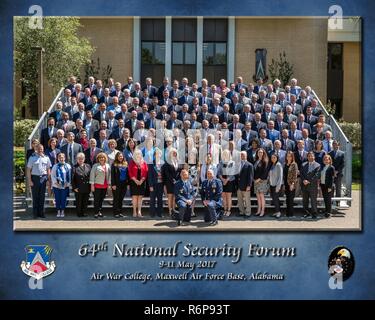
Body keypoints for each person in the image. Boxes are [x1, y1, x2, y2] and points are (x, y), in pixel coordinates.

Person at [26, 144, 51, 219]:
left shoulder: (46, 158)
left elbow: (48, 169)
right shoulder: (32, 158)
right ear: (36, 149)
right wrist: (29, 181)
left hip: (43, 178)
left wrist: (48, 180)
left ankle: (41, 213)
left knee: (42, 196)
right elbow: (28, 170)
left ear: (43, 149)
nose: (40, 150)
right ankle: (35, 213)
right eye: (39, 148)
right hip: (35, 178)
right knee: (35, 197)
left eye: (42, 149)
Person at [128, 149, 148, 217]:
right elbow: (129, 172)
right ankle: (134, 212)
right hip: (134, 182)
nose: (138, 155)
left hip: (142, 182)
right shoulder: (132, 162)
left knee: (140, 197)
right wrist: (135, 180)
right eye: (136, 154)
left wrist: (142, 180)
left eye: (139, 154)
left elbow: (146, 172)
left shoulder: (144, 162)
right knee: (134, 197)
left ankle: (139, 211)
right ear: (134, 155)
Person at [90, 152, 111, 218]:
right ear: (98, 159)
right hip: (97, 185)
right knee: (96, 199)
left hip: (104, 186)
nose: (102, 159)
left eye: (103, 157)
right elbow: (92, 175)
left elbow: (109, 175)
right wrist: (92, 185)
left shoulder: (108, 165)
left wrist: (109, 184)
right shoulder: (95, 165)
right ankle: (96, 212)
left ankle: (99, 211)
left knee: (101, 200)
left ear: (105, 158)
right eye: (100, 157)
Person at [50, 153, 72, 218]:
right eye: (60, 157)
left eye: (62, 157)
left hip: (65, 186)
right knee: (57, 199)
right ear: (58, 158)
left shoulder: (68, 166)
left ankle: (62, 210)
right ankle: (58, 211)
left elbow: (70, 176)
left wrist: (67, 184)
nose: (61, 159)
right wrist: (56, 183)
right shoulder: (55, 166)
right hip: (57, 186)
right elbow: (52, 175)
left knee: (63, 199)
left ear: (64, 158)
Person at [301, 152, 321, 219]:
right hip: (304, 185)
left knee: (313, 200)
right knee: (305, 200)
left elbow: (317, 176)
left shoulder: (318, 165)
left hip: (313, 185)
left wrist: (308, 181)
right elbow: (301, 174)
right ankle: (306, 213)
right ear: (307, 157)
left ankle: (314, 213)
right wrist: (304, 180)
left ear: (314, 157)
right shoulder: (303, 165)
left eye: (312, 156)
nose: (310, 157)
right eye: (309, 156)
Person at [162, 148, 181, 216]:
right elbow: (167, 173)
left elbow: (179, 172)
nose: (174, 154)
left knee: (175, 197)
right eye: (173, 153)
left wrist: (177, 180)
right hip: (169, 182)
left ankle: (174, 210)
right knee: (170, 197)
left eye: (175, 153)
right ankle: (170, 211)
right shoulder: (167, 162)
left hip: (177, 182)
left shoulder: (178, 161)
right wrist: (173, 180)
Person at [217, 149, 237, 217]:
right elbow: (218, 172)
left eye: (227, 154)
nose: (225, 155)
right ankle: (225, 209)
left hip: (230, 181)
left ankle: (229, 210)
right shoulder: (221, 162)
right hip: (222, 180)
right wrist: (222, 180)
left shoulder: (232, 162)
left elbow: (232, 173)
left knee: (228, 196)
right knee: (223, 196)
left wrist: (226, 180)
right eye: (224, 154)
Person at [72, 152, 91, 217]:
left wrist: (90, 186)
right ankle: (79, 213)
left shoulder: (88, 166)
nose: (81, 160)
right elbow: (72, 179)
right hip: (78, 187)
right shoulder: (74, 167)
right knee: (79, 201)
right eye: (79, 158)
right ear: (77, 159)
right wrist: (74, 188)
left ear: (84, 159)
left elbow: (90, 176)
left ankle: (84, 212)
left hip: (87, 187)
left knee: (85, 201)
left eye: (82, 158)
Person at [235, 151, 254, 218]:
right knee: (240, 200)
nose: (242, 156)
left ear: (246, 156)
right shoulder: (238, 164)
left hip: (246, 186)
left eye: (243, 155)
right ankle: (241, 212)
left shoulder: (249, 165)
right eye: (241, 155)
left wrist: (249, 186)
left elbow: (250, 177)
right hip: (239, 186)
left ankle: (248, 213)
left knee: (247, 200)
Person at [111, 152, 128, 218]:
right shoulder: (114, 164)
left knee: (121, 199)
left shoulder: (125, 164)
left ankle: (120, 212)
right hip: (116, 184)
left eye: (121, 156)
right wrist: (113, 184)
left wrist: (128, 183)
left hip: (124, 184)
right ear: (117, 157)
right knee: (116, 198)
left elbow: (127, 174)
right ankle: (115, 212)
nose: (120, 157)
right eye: (119, 156)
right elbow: (112, 175)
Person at [148, 148, 164, 218]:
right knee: (152, 199)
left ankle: (160, 213)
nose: (158, 155)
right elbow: (150, 175)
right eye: (156, 154)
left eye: (159, 154)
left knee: (160, 199)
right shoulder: (151, 163)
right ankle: (152, 213)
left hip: (161, 184)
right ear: (154, 155)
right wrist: (150, 185)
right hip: (153, 184)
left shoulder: (163, 163)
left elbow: (165, 175)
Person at [253, 148, 269, 217]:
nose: (260, 153)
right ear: (257, 153)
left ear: (263, 153)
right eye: (259, 152)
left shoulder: (265, 161)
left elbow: (265, 172)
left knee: (261, 196)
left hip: (262, 181)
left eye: (261, 152)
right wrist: (254, 179)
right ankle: (258, 210)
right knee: (258, 196)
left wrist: (258, 179)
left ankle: (263, 211)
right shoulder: (256, 161)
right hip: (256, 181)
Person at [284, 151, 298, 217]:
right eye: (287, 156)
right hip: (286, 184)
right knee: (287, 199)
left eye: (290, 156)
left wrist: (292, 184)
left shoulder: (294, 164)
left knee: (290, 199)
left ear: (292, 157)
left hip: (291, 184)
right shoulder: (285, 164)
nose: (288, 157)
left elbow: (295, 175)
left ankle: (291, 214)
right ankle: (287, 213)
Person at [268, 154, 283, 218]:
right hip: (272, 185)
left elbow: (280, 176)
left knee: (276, 199)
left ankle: (278, 212)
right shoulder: (272, 165)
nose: (273, 159)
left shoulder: (278, 165)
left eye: (274, 157)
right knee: (274, 199)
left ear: (277, 158)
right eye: (272, 158)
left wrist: (278, 186)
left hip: (276, 185)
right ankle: (276, 211)